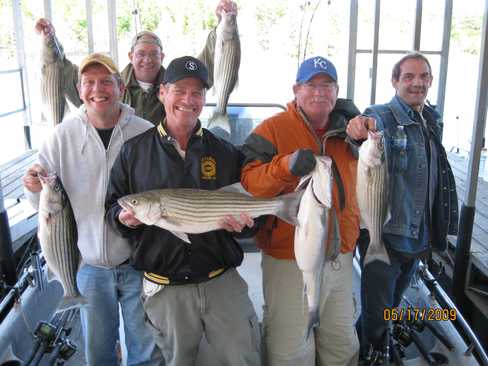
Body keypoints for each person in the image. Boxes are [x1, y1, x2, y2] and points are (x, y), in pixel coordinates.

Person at [105, 56, 261, 366]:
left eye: (197, 93)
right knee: (176, 361)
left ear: (205, 99)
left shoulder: (226, 151)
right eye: (179, 90)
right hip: (165, 287)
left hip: (221, 280)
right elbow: (113, 207)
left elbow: (250, 217)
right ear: (162, 92)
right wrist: (125, 218)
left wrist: (245, 226)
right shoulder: (134, 151)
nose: (188, 100)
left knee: (242, 357)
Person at [23, 53, 163, 366]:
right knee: (98, 352)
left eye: (105, 82)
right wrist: (32, 188)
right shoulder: (60, 137)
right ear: (79, 88)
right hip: (85, 265)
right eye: (89, 83)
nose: (97, 89)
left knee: (146, 349)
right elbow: (43, 205)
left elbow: (159, 193)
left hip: (138, 261)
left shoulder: (144, 132)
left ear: (121, 88)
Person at [240, 56, 362, 366]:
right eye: (311, 85)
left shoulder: (349, 131)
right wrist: (285, 167)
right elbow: (249, 183)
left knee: (341, 344)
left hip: (341, 257)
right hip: (288, 260)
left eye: (327, 85)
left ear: (337, 91)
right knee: (289, 350)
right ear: (296, 89)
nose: (319, 92)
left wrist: (368, 133)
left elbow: (376, 166)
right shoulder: (271, 129)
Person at [346, 52, 459, 362]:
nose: (417, 83)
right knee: (377, 307)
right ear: (395, 81)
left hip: (418, 237)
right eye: (408, 77)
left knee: (390, 304)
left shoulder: (432, 118)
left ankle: (371, 344)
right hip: (387, 235)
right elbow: (362, 126)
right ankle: (372, 353)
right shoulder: (382, 117)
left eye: (423, 77)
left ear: (431, 81)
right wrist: (359, 126)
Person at [34, 0, 238, 125]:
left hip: (164, 158)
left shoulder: (174, 83)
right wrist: (50, 41)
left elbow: (209, 63)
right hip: (121, 161)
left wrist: (223, 22)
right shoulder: (110, 85)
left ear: (162, 57)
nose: (147, 60)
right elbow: (65, 73)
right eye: (141, 54)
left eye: (154, 54)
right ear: (130, 56)